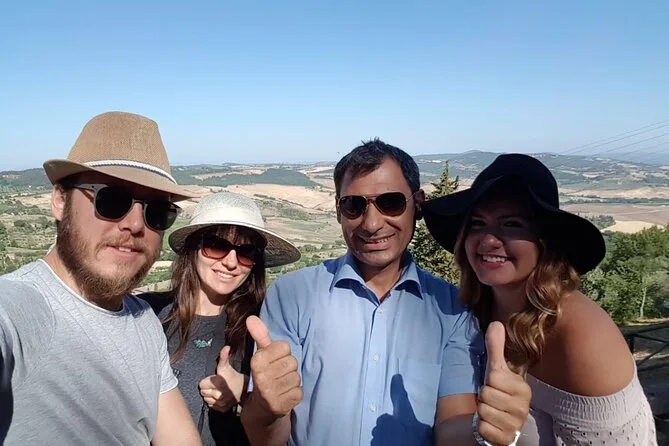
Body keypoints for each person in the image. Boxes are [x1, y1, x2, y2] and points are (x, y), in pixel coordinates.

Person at [240, 139, 532, 446]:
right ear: (338, 210)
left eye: (390, 202)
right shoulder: (292, 295)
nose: (371, 223)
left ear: (418, 204)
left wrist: (484, 428)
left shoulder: (452, 310)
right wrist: (266, 408)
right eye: (354, 206)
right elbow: (267, 438)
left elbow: (451, 428)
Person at [423, 153, 657, 445]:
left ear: (545, 243)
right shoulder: (471, 311)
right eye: (477, 224)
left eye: (511, 224)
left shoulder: (581, 334)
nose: (488, 240)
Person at [0, 111, 203, 445]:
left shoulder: (142, 320)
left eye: (156, 211)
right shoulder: (18, 311)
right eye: (112, 200)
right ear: (60, 201)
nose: (135, 224)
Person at [139, 191, 300, 445]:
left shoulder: (262, 327)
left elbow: (279, 434)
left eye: (246, 251)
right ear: (193, 248)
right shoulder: (148, 315)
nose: (231, 262)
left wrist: (247, 392)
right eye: (217, 246)